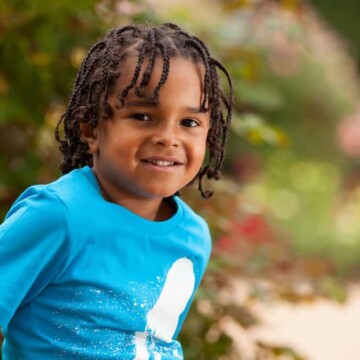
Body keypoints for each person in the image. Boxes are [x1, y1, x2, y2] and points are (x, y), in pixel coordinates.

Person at [0, 22, 234, 359]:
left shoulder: (193, 237)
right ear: (90, 127)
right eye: (142, 115)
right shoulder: (58, 215)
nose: (168, 137)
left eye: (189, 122)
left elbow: (153, 340)